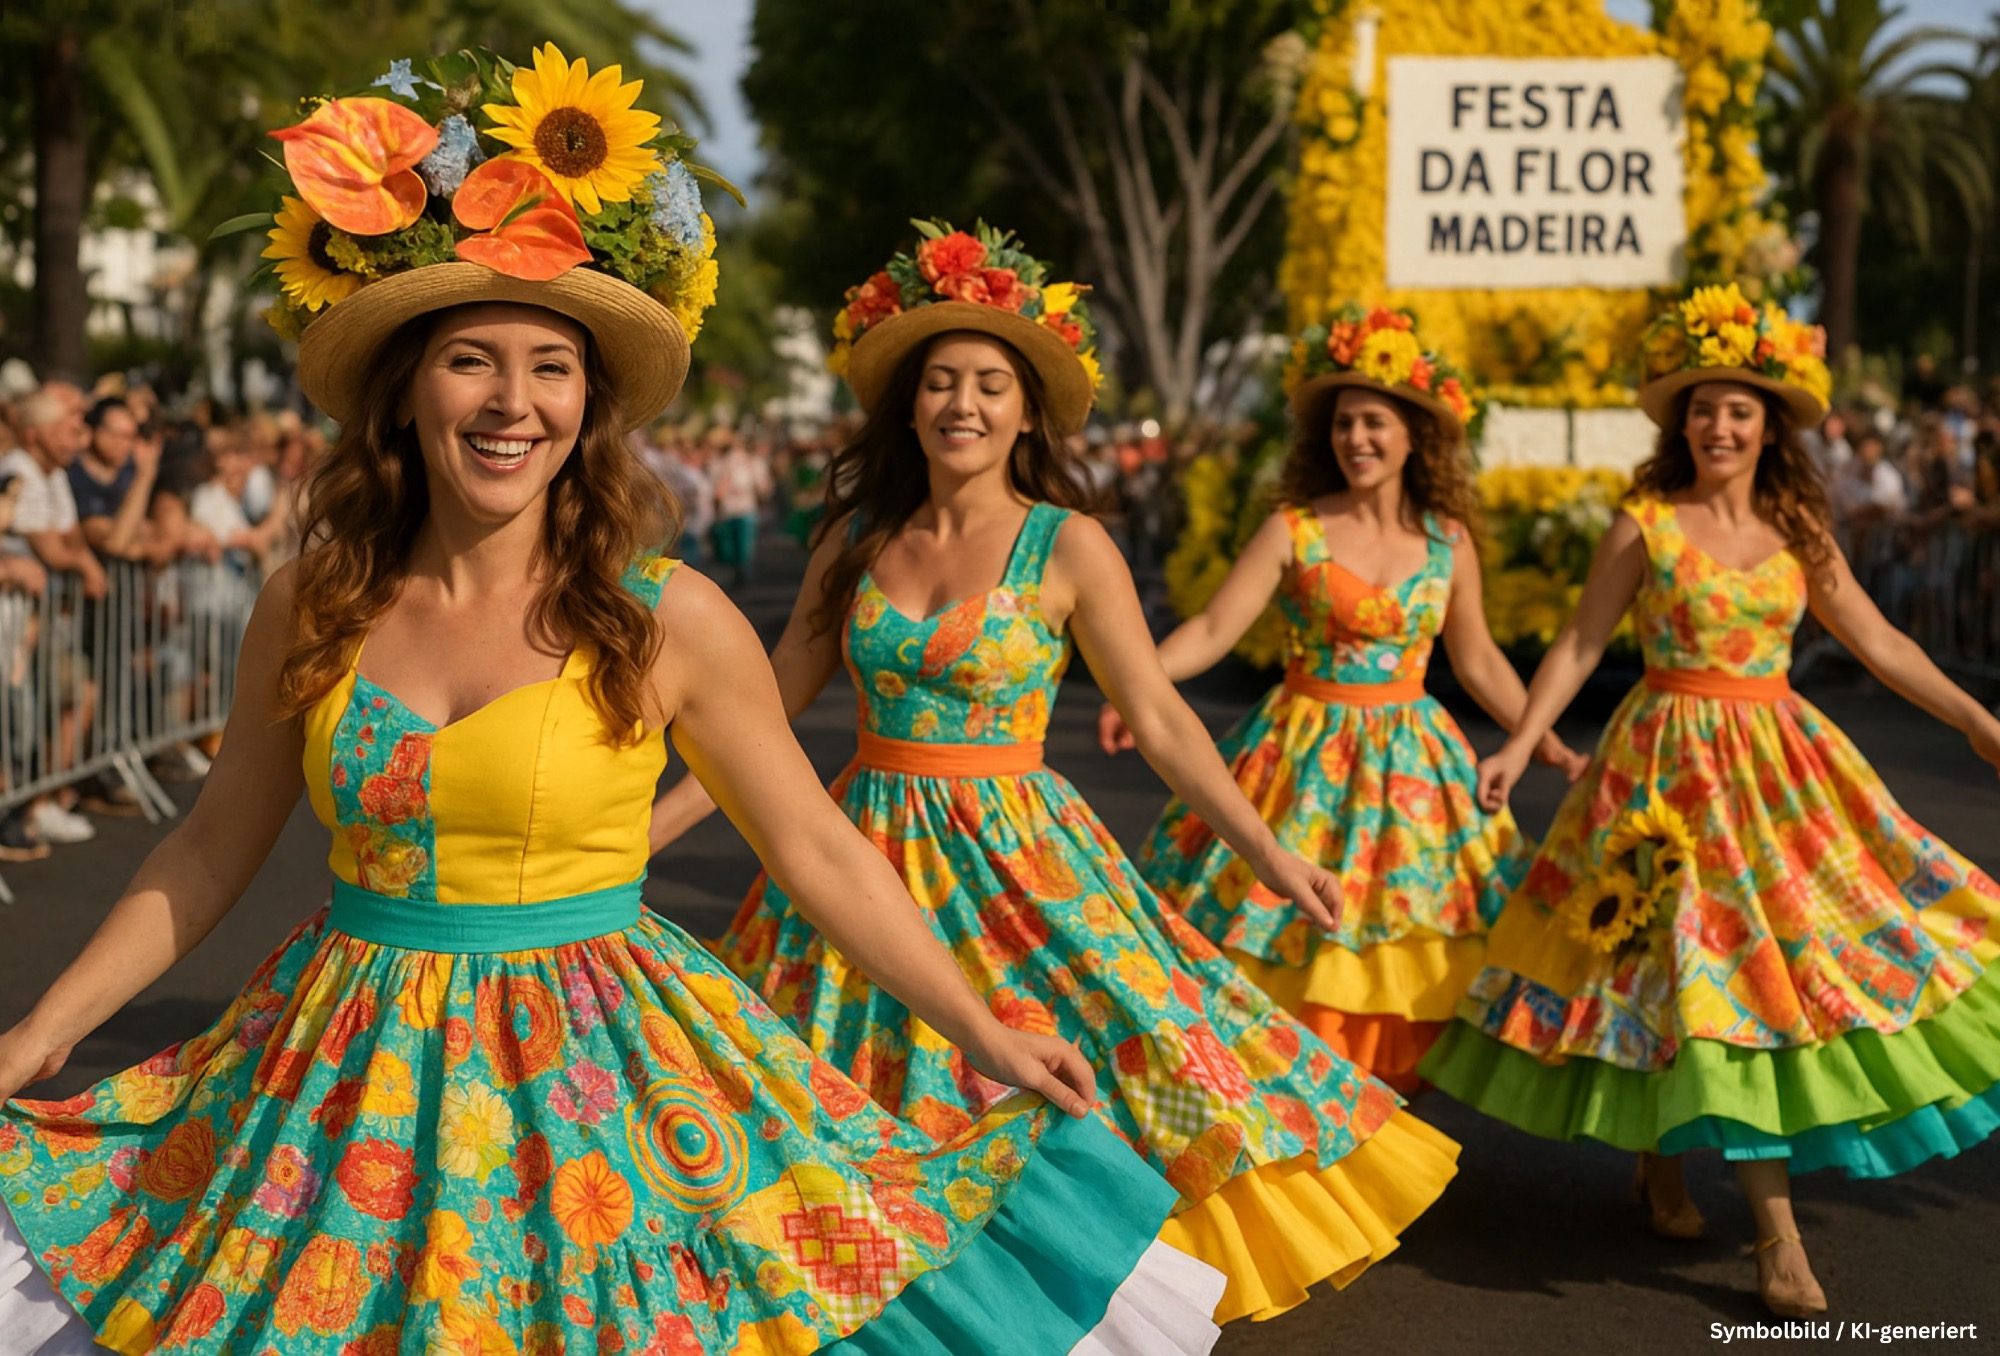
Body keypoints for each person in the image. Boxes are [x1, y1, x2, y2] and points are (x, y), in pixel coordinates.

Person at [0, 54, 1224, 1355]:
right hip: (347, 1082)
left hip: (596, 1082)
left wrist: (981, 1030)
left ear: (589, 408)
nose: (512, 402)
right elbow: (206, 845)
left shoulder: (665, 615)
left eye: (550, 368)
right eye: (472, 360)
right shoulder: (315, 599)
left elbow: (811, 846)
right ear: (409, 392)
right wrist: (40, 1030)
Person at [658, 222, 1461, 1326]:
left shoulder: (1070, 545)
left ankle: (1086, 1308)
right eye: (939, 382)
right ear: (907, 405)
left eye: (990, 384)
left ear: (1028, 410)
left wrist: (1269, 854)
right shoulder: (851, 538)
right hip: (859, 851)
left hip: (1023, 864)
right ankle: (921, 1320)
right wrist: (645, 831)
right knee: (854, 1100)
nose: (962, 405)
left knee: (1104, 1074)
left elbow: (1164, 723)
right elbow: (760, 712)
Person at [1420, 284, 2000, 1318]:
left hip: (1777, 774)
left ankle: (1680, 1166)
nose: (1717, 424)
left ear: (1767, 423)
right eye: (1700, 407)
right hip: (1661, 778)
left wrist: (1968, 717)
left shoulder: (1796, 524)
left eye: (1737, 408)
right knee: (1680, 973)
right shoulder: (1644, 522)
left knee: (1769, 973)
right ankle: (1769, 1237)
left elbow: (1877, 643)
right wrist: (1515, 744)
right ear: (1677, 421)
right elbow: (1577, 646)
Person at [1101, 308, 1588, 1092]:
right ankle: (1308, 1120)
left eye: (1375, 423)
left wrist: (1543, 738)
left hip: (1414, 770)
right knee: (1286, 947)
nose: (1356, 439)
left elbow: (1477, 658)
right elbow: (1216, 625)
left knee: (1414, 951)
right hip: (1301, 761)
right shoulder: (1294, 528)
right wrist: (1140, 685)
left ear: (1413, 437)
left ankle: (1384, 1133)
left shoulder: (1448, 541)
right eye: (1343, 424)